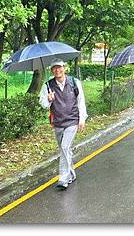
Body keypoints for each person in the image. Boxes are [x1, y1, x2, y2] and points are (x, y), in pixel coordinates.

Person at [39, 59, 88, 190]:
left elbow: (81, 101)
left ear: (64, 68)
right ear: (51, 70)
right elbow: (43, 104)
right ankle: (71, 174)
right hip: (58, 123)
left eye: (59, 67)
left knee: (65, 147)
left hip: (72, 120)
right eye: (54, 68)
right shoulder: (48, 86)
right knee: (64, 149)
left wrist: (82, 119)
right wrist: (48, 100)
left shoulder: (74, 82)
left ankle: (63, 179)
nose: (57, 70)